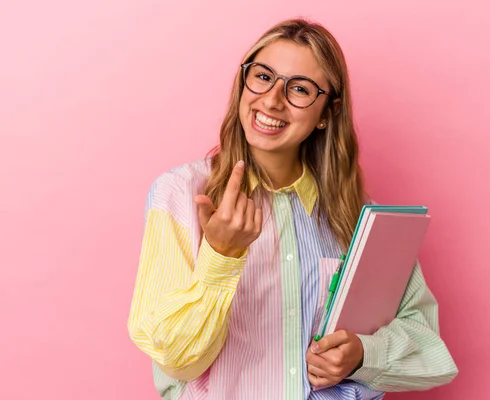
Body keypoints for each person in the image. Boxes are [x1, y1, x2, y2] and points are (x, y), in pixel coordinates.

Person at [127, 17, 458, 400]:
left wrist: (364, 354)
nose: (271, 100)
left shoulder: (358, 215)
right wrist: (220, 256)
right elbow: (177, 360)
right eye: (263, 77)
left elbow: (429, 348)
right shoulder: (179, 195)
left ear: (327, 114)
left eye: (299, 89)